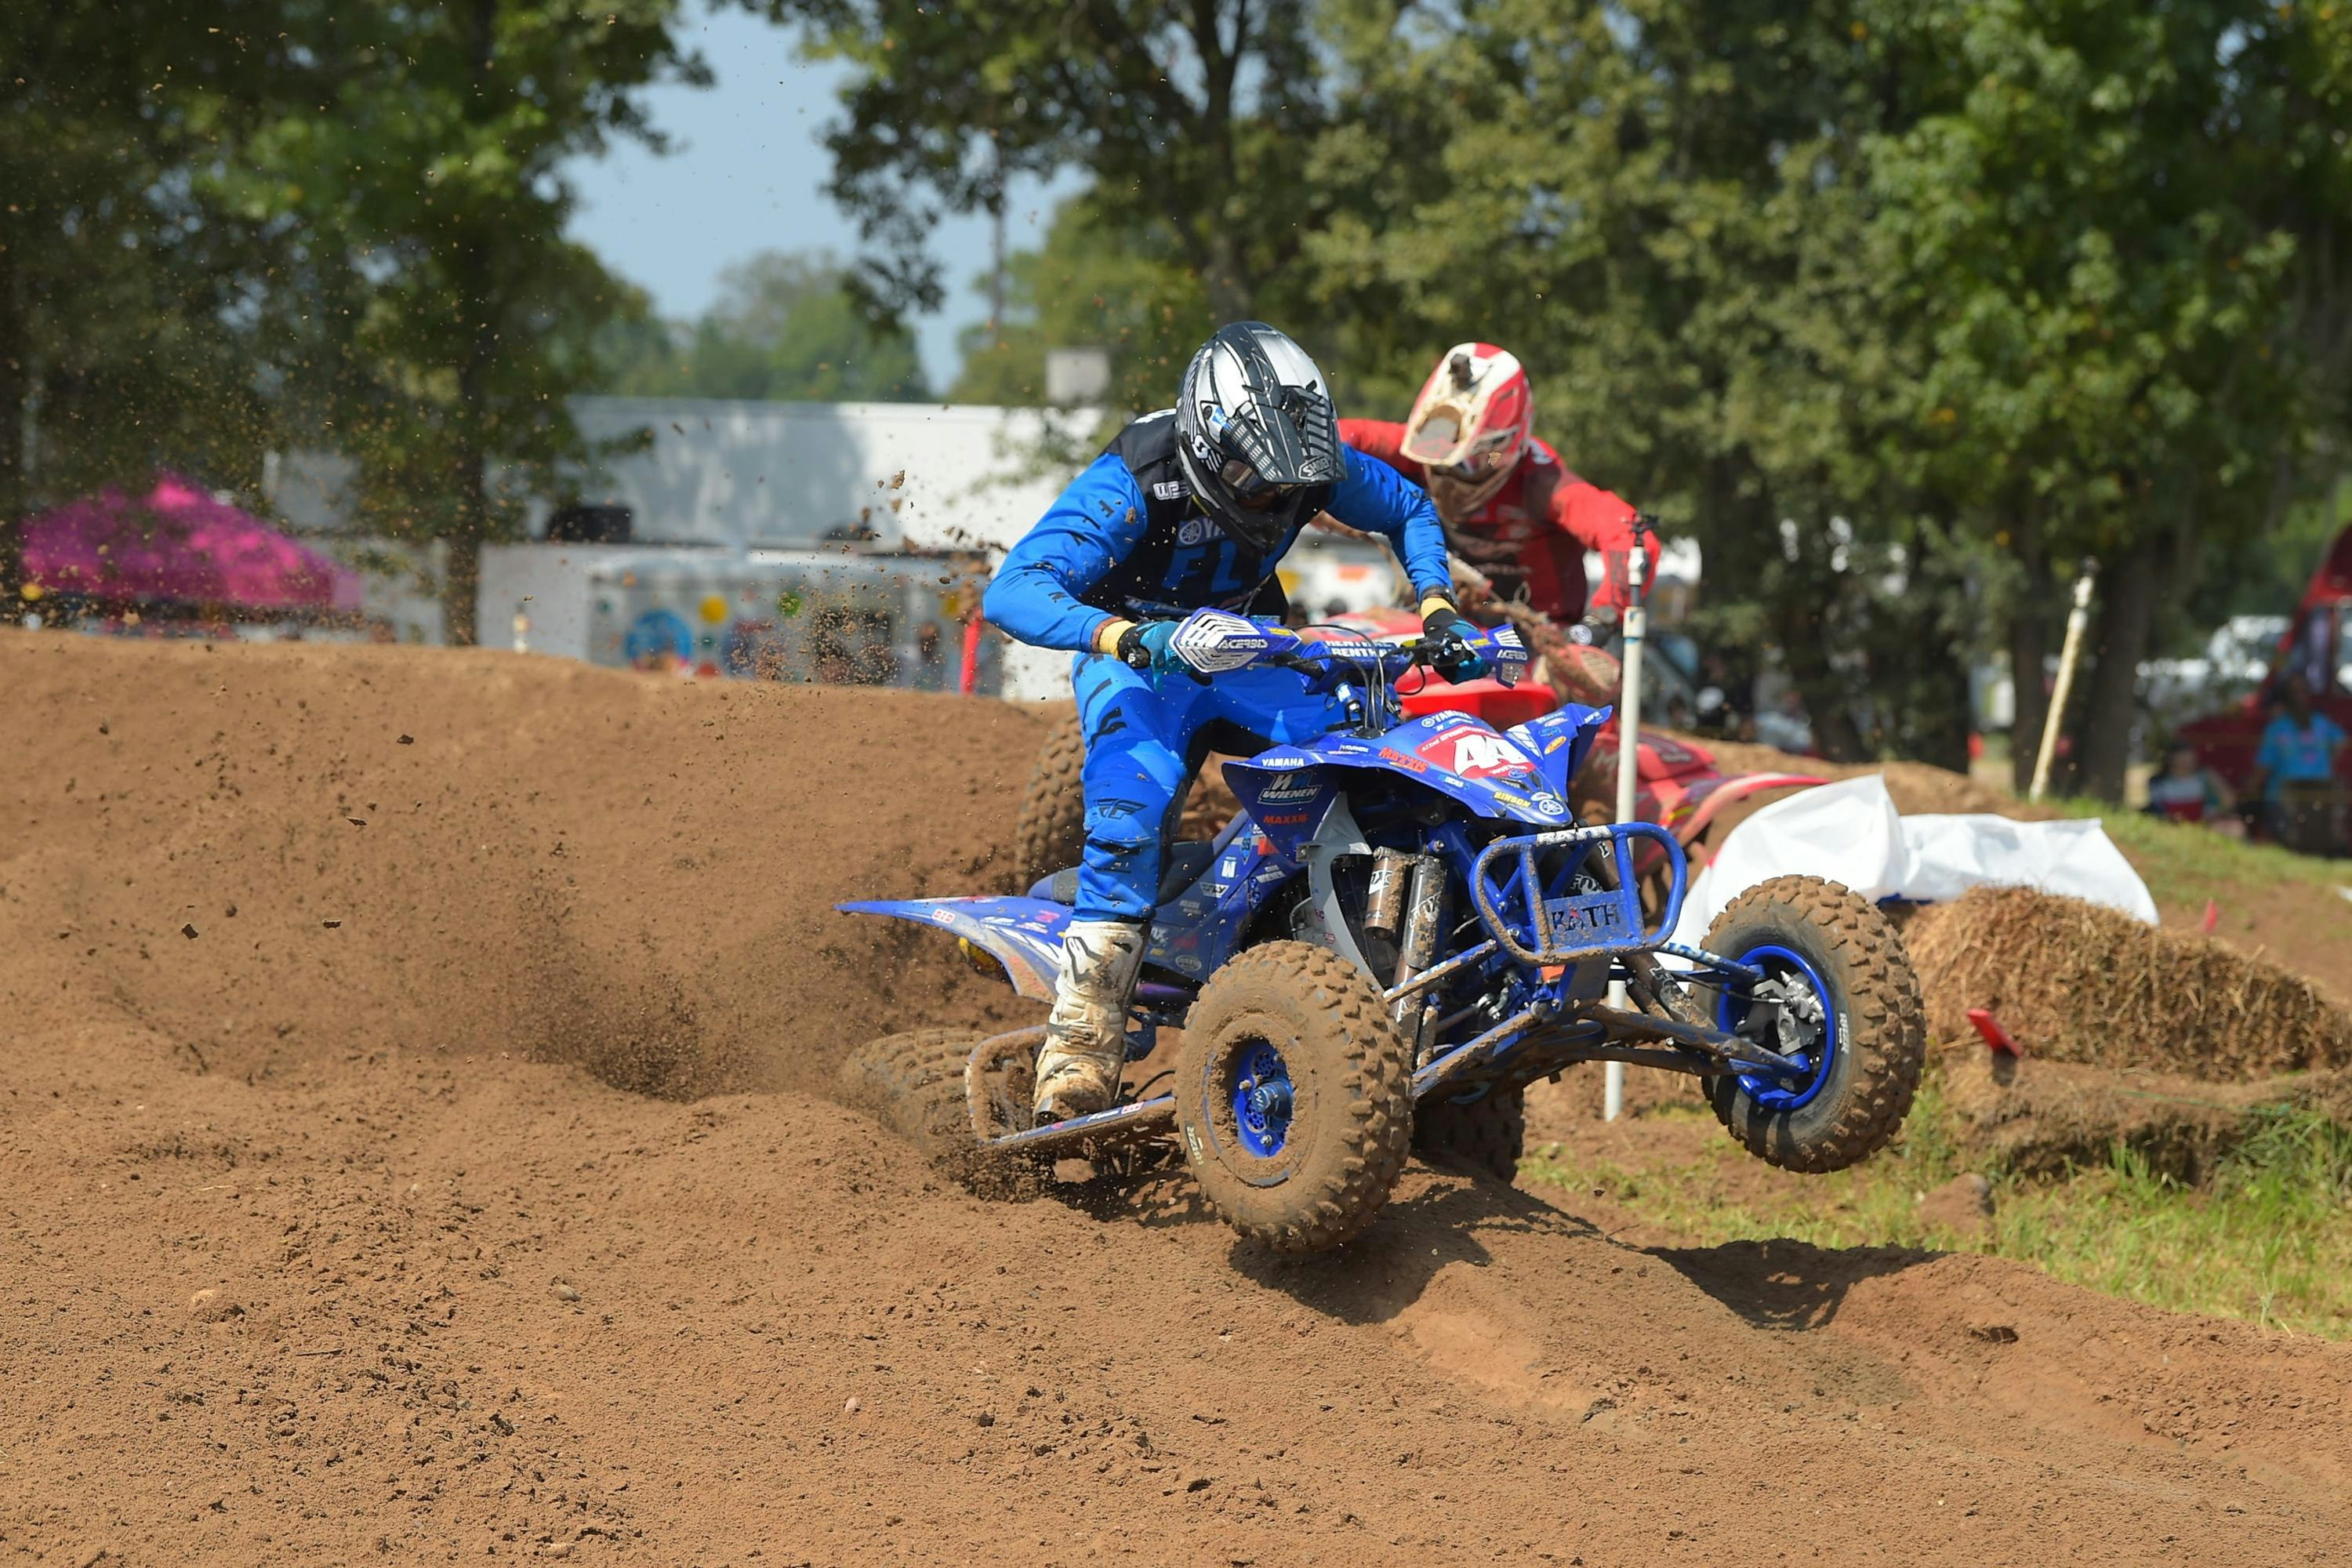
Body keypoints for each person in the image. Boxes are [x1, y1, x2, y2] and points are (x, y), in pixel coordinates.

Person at [983, 322, 1478, 1122]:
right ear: (1208, 442)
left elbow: (1410, 506)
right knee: (1129, 818)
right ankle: (1079, 1044)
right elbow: (1013, 588)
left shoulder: (1309, 465)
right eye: (1254, 477)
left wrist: (1435, 600)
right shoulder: (1135, 477)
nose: (1276, 496)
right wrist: (1127, 635)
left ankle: (1368, 949)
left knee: (1369, 755)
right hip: (1139, 656)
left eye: (1292, 484)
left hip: (1252, 645)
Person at [1340, 343, 1646, 626]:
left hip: (1540, 640)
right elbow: (1339, 437)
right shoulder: (1429, 452)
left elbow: (1629, 535)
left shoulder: (1543, 483)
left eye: (1471, 459)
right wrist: (1327, 486)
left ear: (1505, 444)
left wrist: (1602, 619)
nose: (1450, 472)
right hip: (1445, 624)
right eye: (1443, 457)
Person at [2248, 675, 2347, 844]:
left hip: (2317, 792)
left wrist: (2327, 762)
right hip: (2289, 794)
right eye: (2294, 692)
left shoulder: (2319, 721)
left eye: (2303, 691)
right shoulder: (2278, 727)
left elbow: (2343, 741)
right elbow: (2263, 766)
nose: (2300, 696)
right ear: (2286, 697)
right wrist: (2249, 792)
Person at [2144, 740, 2229, 825]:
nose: (2187, 759)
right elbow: (2156, 809)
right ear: (2171, 758)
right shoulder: (2158, 781)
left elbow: (2228, 800)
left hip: (2205, 824)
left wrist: (2212, 814)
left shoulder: (2204, 777)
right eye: (2183, 755)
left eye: (2190, 755)